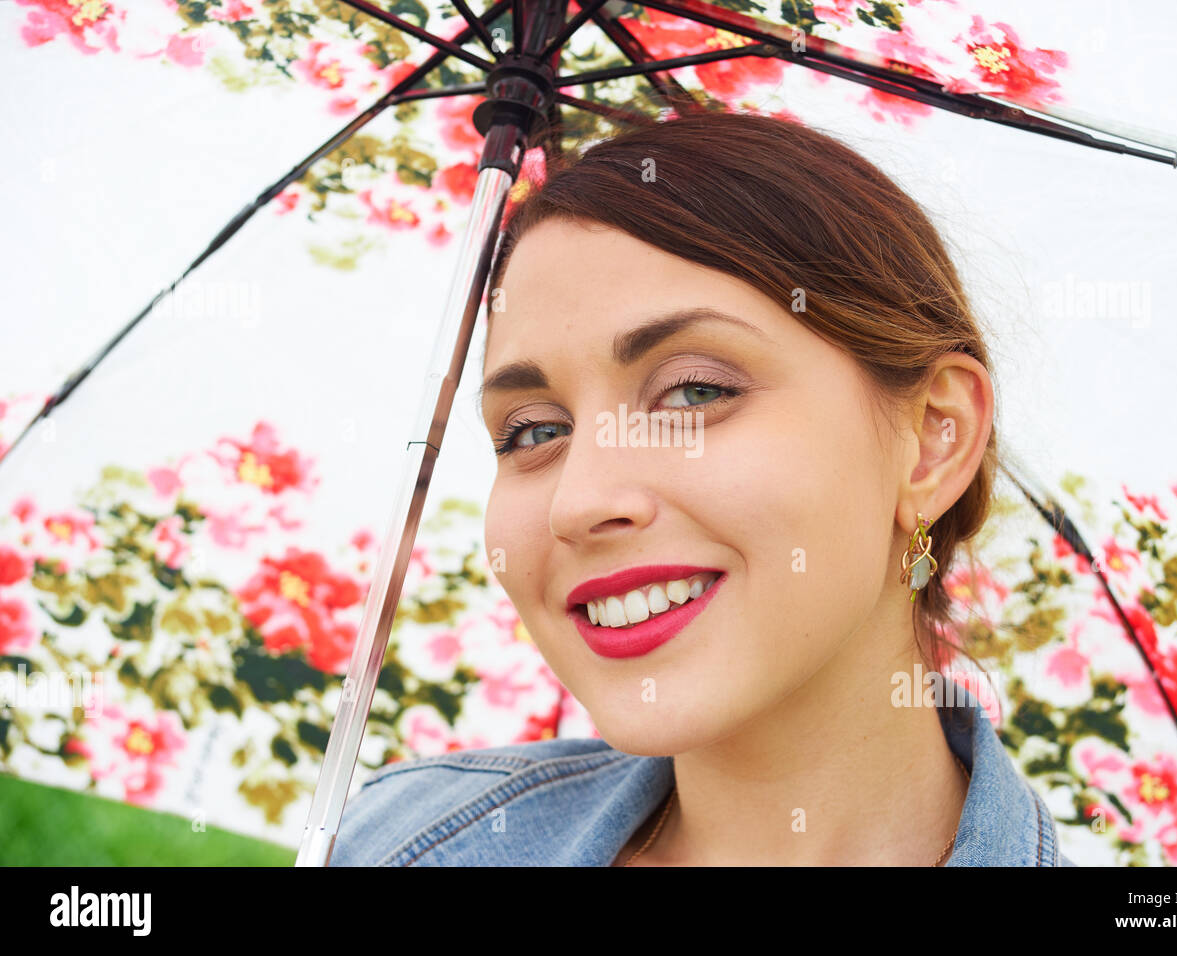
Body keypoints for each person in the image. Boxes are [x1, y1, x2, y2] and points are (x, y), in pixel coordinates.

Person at [330, 108, 1073, 867]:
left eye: (693, 393)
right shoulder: (399, 838)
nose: (578, 502)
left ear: (933, 439)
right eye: (535, 431)